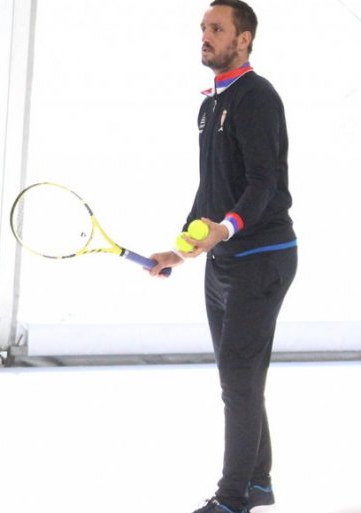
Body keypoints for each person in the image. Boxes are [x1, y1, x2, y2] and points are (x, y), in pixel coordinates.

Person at [148, 1, 297, 512]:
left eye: (217, 28)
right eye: (203, 28)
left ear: (244, 38)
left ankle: (232, 499)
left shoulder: (257, 97)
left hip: (264, 257)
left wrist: (226, 228)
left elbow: (263, 183)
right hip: (223, 263)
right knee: (241, 380)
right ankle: (258, 484)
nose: (206, 36)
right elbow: (211, 186)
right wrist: (181, 249)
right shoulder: (212, 103)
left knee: (238, 381)